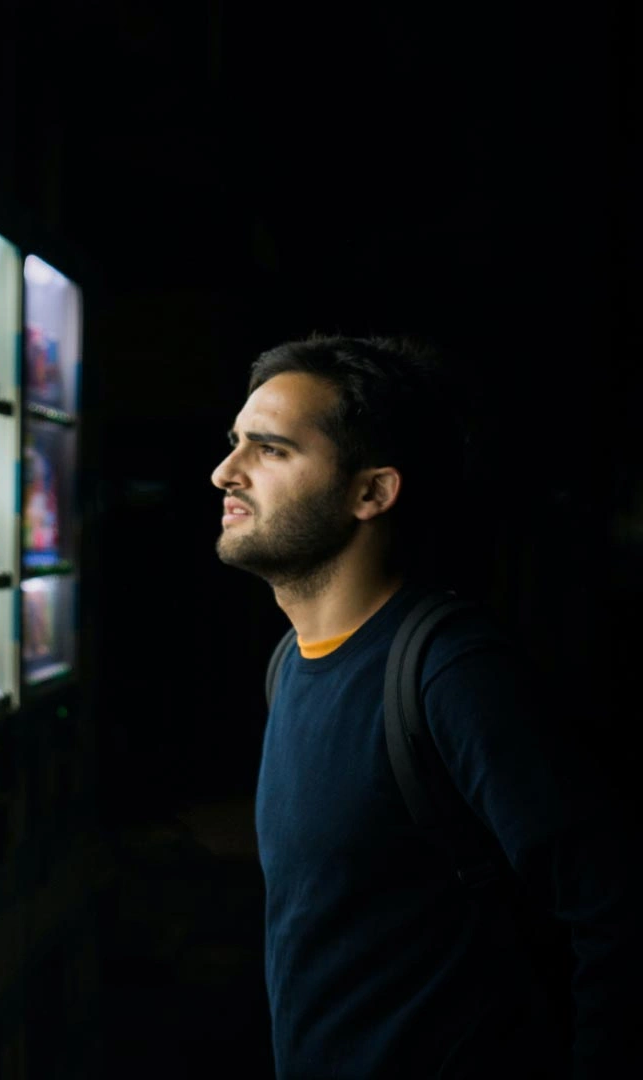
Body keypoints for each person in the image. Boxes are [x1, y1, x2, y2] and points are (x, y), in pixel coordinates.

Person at [210, 335, 636, 1077]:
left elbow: (616, 912)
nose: (225, 472)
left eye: (271, 450)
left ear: (371, 493)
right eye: (235, 443)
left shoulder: (451, 671)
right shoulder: (291, 662)